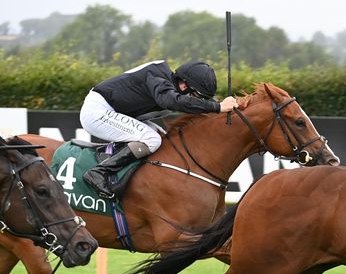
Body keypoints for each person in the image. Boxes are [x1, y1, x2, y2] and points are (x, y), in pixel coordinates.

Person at [79, 60, 239, 198]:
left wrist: (223, 104)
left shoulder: (172, 83)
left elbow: (196, 103)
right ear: (183, 85)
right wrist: (217, 107)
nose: (198, 102)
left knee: (162, 138)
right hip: (97, 112)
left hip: (115, 111)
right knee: (151, 139)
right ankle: (98, 172)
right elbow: (173, 101)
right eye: (197, 96)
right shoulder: (158, 79)